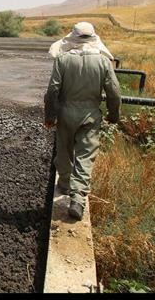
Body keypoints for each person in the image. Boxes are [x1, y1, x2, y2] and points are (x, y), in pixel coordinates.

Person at [44, 22, 121, 220]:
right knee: (85, 155)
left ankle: (64, 184)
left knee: (64, 148)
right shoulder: (103, 62)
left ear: (74, 38)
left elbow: (53, 90)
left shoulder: (62, 60)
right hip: (90, 114)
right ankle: (77, 198)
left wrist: (50, 116)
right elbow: (114, 92)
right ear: (93, 38)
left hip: (66, 112)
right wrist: (114, 115)